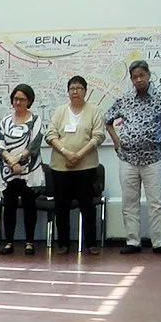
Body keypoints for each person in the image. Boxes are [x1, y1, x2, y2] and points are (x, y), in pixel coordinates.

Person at [104, 60, 161, 255]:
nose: (139, 80)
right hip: (127, 159)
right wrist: (116, 142)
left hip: (153, 159)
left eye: (142, 75)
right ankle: (133, 241)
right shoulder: (125, 99)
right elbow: (107, 120)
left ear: (149, 75)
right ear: (131, 79)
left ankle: (159, 242)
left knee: (156, 202)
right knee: (129, 201)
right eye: (134, 77)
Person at [45, 75, 105, 252]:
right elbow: (50, 135)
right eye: (72, 88)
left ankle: (91, 244)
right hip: (60, 167)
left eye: (79, 88)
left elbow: (98, 136)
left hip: (86, 166)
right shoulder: (60, 111)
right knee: (61, 207)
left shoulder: (94, 110)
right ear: (68, 92)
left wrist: (78, 155)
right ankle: (63, 244)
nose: (75, 91)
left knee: (87, 206)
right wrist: (66, 153)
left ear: (85, 91)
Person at [0, 84, 45, 254]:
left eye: (22, 99)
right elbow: (0, 145)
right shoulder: (5, 121)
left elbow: (34, 145)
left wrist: (18, 161)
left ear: (29, 101)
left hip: (29, 172)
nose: (18, 102)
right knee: (8, 207)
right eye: (16, 98)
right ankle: (8, 242)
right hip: (9, 173)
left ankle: (29, 242)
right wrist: (11, 162)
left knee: (29, 206)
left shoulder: (36, 120)